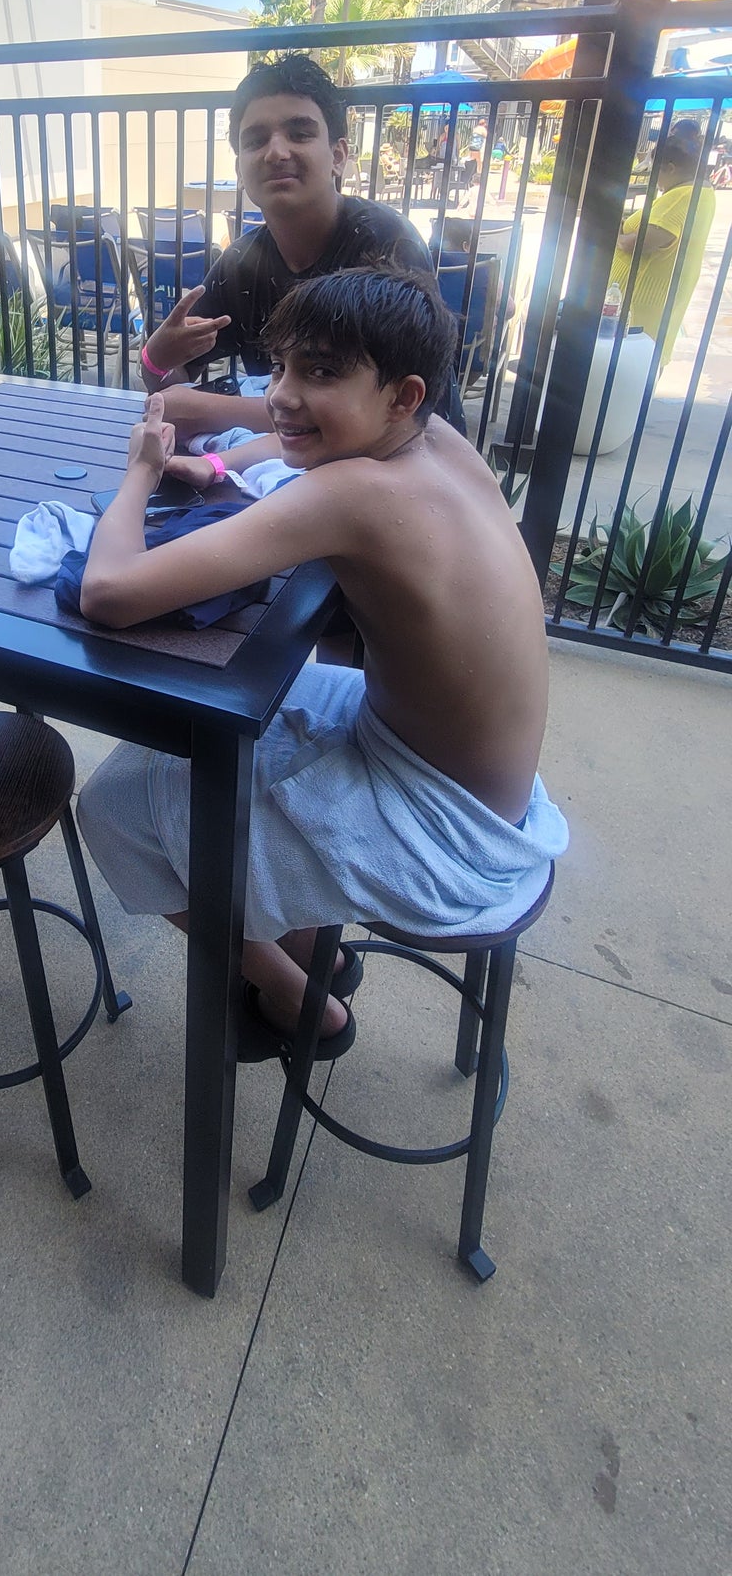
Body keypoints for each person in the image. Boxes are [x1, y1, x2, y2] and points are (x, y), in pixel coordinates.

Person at [77, 266, 566, 1060]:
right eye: (281, 366)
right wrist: (222, 462)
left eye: (322, 372)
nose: (283, 394)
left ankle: (298, 999)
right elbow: (281, 431)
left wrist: (141, 469)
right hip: (484, 786)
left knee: (111, 807)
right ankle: (318, 950)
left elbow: (109, 592)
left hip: (443, 830)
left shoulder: (354, 495)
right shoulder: (438, 439)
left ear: (403, 395)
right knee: (222, 719)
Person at [137, 53, 463, 444]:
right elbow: (169, 390)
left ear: (338, 156)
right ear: (240, 169)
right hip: (297, 461)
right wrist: (155, 358)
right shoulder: (242, 263)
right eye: (255, 140)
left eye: (300, 134)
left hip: (404, 464)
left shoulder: (386, 245)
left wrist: (207, 408)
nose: (276, 152)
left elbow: (393, 419)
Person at [609, 130, 717, 366]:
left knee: (627, 371)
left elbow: (638, 244)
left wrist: (616, 233)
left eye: (655, 171)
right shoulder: (699, 192)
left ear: (670, 168)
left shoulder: (682, 197)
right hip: (648, 307)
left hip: (639, 311)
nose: (654, 179)